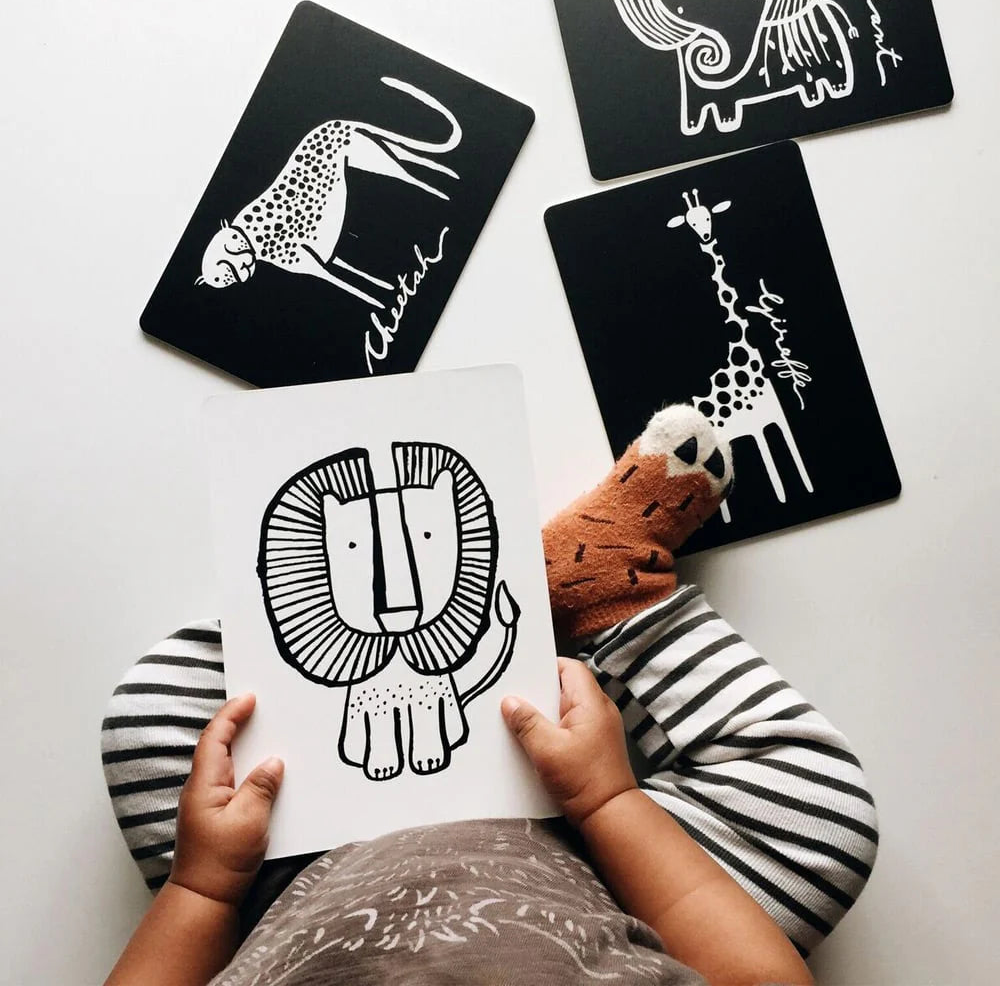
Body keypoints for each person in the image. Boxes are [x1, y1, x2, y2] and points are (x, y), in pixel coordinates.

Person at [102, 406, 877, 986]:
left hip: (287, 868)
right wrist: (608, 803)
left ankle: (409, 596)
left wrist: (204, 886)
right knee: (821, 820)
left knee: (154, 715)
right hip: (600, 866)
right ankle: (605, 591)